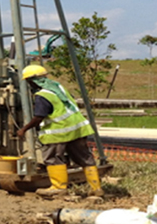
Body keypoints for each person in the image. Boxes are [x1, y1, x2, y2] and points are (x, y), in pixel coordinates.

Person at [16, 64, 103, 198]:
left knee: (53, 159)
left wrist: (24, 129)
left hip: (58, 132)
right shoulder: (58, 88)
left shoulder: (42, 95)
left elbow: (39, 117)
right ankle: (96, 188)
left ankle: (58, 187)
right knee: (85, 158)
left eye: (28, 81)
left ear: (32, 80)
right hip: (78, 129)